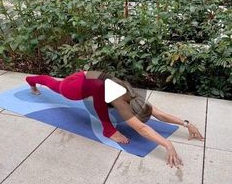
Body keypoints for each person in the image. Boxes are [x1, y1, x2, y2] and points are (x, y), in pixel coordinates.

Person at [25, 71, 204, 169]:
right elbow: (141, 128)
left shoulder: (134, 97)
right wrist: (167, 145)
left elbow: (159, 114)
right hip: (75, 86)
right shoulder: (122, 102)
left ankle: (32, 80)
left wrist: (186, 123)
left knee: (99, 96)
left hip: (90, 77)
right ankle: (31, 80)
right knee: (56, 85)